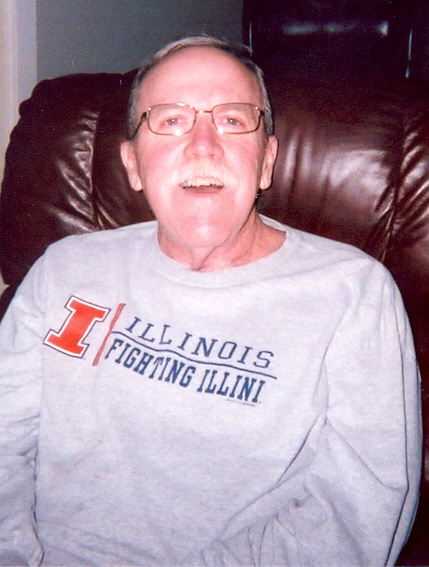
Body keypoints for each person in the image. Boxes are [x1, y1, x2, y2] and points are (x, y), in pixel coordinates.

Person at [0, 36, 422, 567]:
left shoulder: (354, 293)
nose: (203, 146)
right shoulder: (65, 270)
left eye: (232, 120)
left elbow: (352, 519)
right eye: (171, 120)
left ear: (267, 160)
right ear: (132, 165)